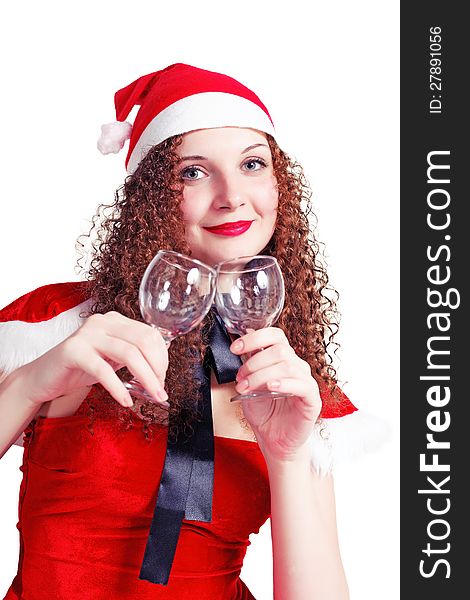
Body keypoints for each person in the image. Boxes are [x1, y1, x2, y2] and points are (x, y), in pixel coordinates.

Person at [0, 63, 384, 599]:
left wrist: (288, 456)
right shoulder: (60, 325)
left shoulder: (290, 378)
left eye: (253, 164)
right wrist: (31, 383)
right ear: (150, 197)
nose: (231, 195)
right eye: (194, 172)